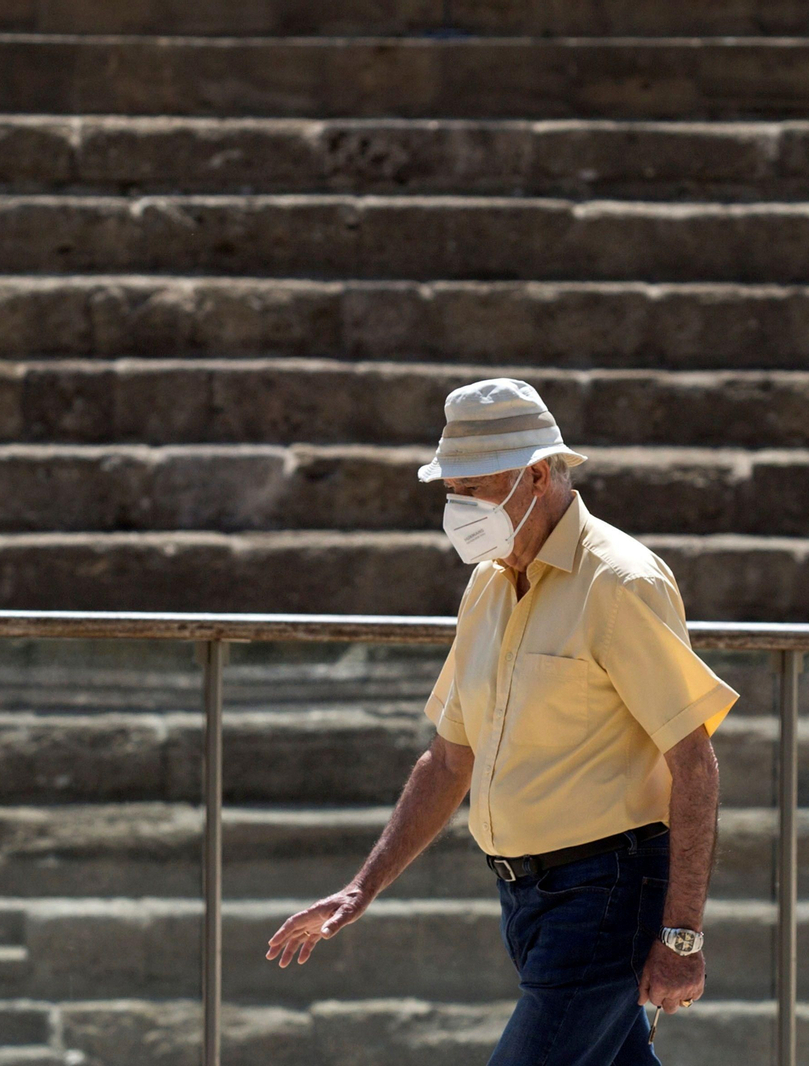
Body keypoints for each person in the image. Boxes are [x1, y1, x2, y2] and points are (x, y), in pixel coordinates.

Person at [265, 377, 739, 1065]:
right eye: (451, 491)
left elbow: (694, 763)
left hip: (606, 898)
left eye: (477, 488)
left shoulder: (620, 583)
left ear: (538, 475)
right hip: (526, 906)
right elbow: (450, 759)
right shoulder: (487, 584)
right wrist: (360, 887)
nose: (460, 508)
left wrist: (682, 935)